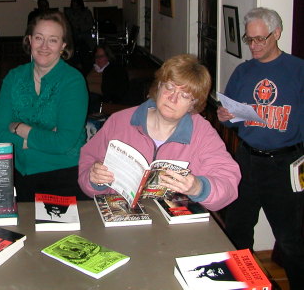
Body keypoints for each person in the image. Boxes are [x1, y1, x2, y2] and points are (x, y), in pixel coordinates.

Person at [79, 54, 240, 212]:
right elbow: (88, 163)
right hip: (121, 218)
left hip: (175, 230)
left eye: (185, 95)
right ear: (159, 86)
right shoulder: (120, 121)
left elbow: (228, 183)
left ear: (193, 104)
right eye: (169, 87)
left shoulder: (202, 133)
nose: (173, 98)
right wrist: (94, 179)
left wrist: (199, 187)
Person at [217, 7, 304, 289]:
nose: (254, 46)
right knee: (237, 231)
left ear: (276, 34)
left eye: (260, 39)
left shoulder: (298, 71)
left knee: (290, 240)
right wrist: (224, 116)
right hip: (247, 160)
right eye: (249, 39)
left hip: (284, 164)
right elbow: (229, 116)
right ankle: (242, 284)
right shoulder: (243, 72)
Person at [0, 11, 89, 202]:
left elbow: (63, 142)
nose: (44, 46)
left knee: (60, 234)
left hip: (64, 175)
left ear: (63, 45)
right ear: (29, 40)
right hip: (19, 175)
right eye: (39, 38)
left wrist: (19, 128)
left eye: (53, 40)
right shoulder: (14, 77)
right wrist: (42, 138)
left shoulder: (73, 81)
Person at [86, 43, 129, 113]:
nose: (99, 59)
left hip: (101, 101)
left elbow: (118, 91)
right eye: (97, 56)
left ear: (108, 57)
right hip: (86, 96)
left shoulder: (115, 70)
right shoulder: (89, 68)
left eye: (102, 56)